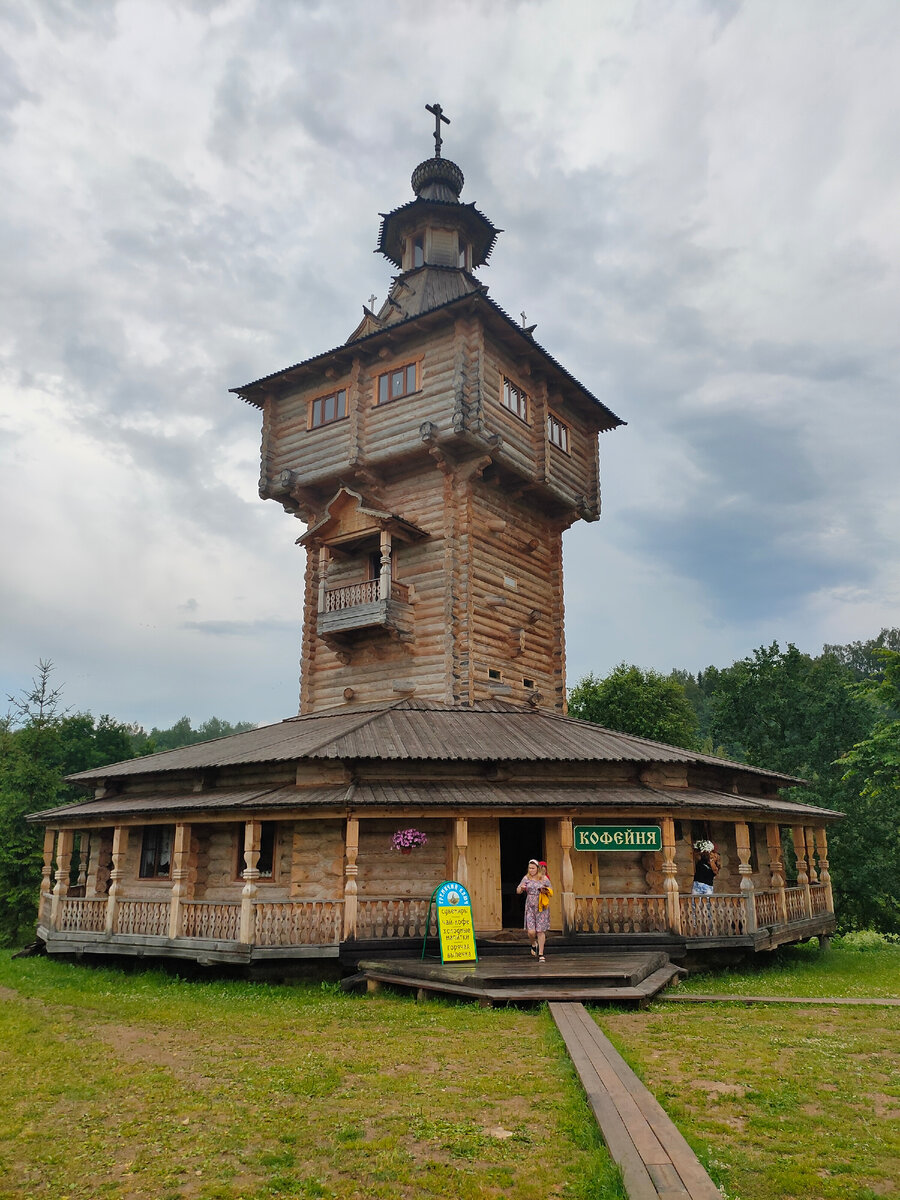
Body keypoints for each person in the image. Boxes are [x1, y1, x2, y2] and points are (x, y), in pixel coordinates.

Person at [517, 857, 551, 962]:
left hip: (541, 906)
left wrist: (544, 890)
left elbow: (551, 891)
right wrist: (521, 888)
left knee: (540, 931)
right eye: (529, 868)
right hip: (530, 906)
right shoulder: (526, 878)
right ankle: (533, 943)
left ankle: (541, 953)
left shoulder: (544, 878)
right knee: (531, 931)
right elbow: (518, 890)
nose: (531, 870)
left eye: (533, 868)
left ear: (537, 868)